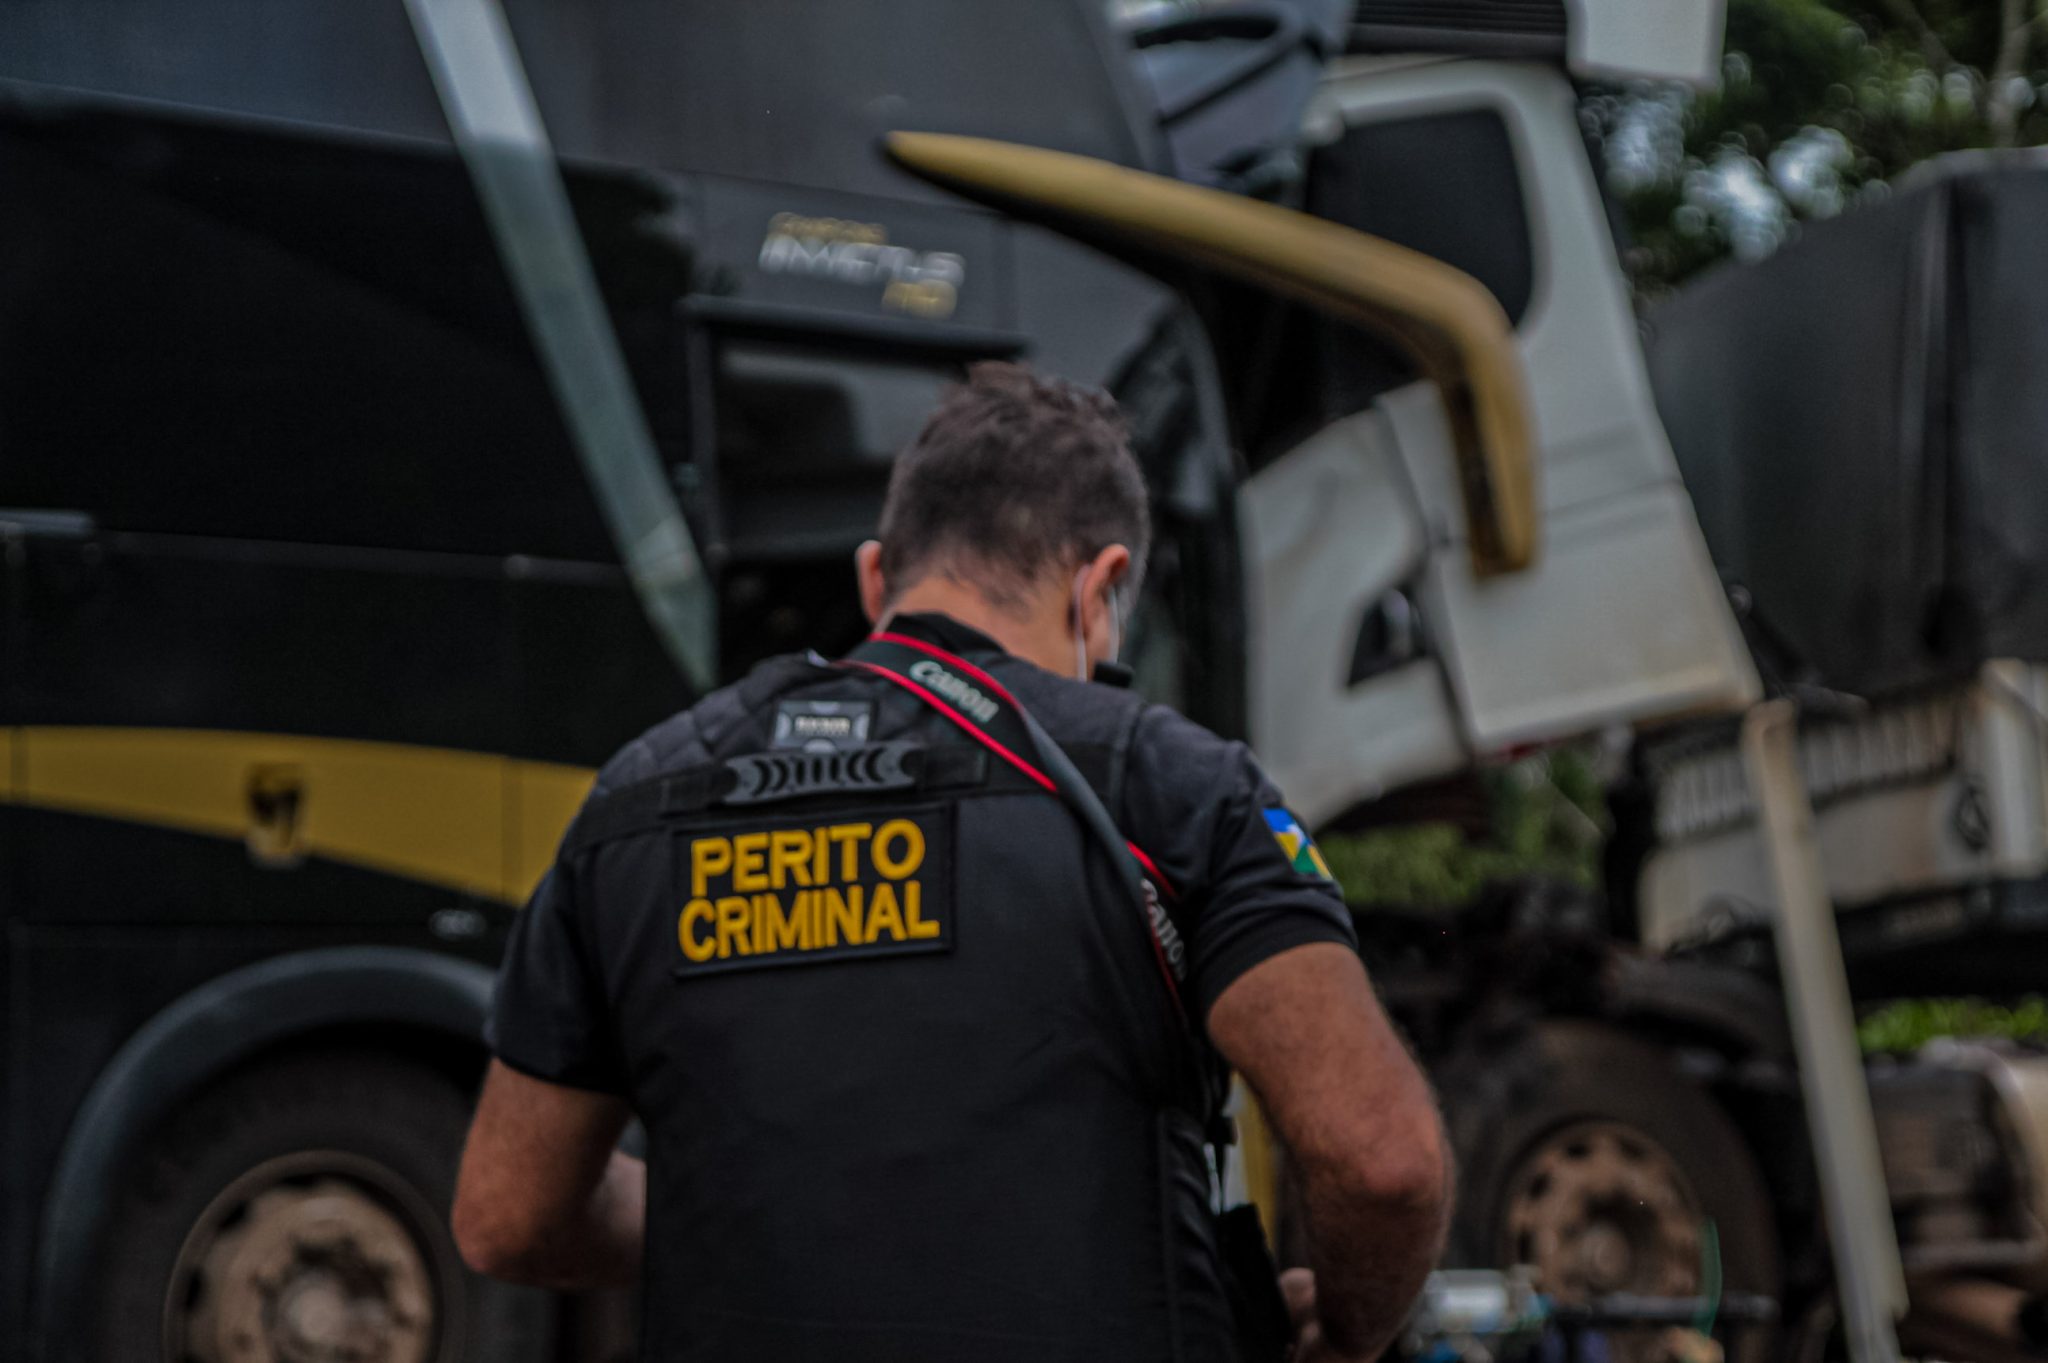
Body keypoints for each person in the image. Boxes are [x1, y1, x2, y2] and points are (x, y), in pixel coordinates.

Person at [453, 362, 1451, 1362]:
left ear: (875, 579)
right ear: (1099, 589)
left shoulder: (636, 804)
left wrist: (773, 1227)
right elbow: (1382, 1161)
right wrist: (1345, 1331)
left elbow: (506, 1214)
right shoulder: (1171, 787)